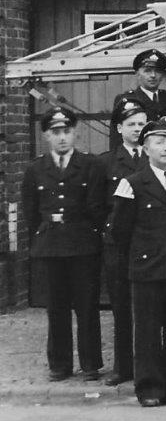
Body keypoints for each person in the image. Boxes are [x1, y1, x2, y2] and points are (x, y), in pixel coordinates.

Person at [108, 117, 166, 407]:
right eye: (159, 142)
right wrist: (143, 258)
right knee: (148, 332)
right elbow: (120, 231)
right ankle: (149, 389)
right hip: (149, 268)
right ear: (146, 147)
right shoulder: (133, 183)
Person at [22, 107, 105, 383]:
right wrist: (43, 235)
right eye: (56, 133)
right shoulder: (35, 169)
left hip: (83, 245)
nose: (62, 138)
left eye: (67, 132)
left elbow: (96, 207)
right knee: (56, 307)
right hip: (51, 246)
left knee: (87, 306)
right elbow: (31, 212)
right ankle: (59, 364)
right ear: (45, 135)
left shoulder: (90, 165)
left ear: (75, 133)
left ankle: (91, 363)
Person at [98, 99, 150, 386]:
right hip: (118, 245)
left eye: (142, 124)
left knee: (149, 307)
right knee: (121, 307)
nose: (137, 129)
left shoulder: (155, 156)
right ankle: (122, 367)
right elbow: (96, 206)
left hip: (147, 242)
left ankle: (150, 364)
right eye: (131, 124)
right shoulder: (106, 162)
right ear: (119, 128)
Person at [109, 49, 166, 148]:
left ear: (163, 74)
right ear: (137, 74)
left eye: (158, 71)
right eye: (147, 71)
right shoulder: (128, 99)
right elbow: (116, 136)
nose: (153, 75)